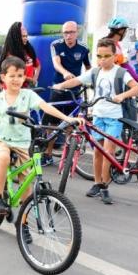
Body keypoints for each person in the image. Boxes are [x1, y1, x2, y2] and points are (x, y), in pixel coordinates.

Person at [0, 56, 83, 217]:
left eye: (20, 76)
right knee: (3, 158)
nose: (16, 80)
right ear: (3, 77)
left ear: (25, 77)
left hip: (22, 143)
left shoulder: (27, 95)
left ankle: (23, 223)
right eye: (12, 76)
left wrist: (67, 119)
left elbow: (45, 107)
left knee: (26, 186)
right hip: (1, 140)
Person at [53, 38, 138, 205]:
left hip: (114, 118)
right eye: (99, 56)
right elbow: (77, 80)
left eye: (107, 56)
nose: (102, 60)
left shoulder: (121, 73)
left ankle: (105, 186)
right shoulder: (95, 72)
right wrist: (60, 86)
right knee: (97, 152)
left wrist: (121, 96)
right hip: (98, 116)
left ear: (115, 56)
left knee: (108, 152)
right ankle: (96, 182)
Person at [42, 21, 91, 166]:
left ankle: (67, 156)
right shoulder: (56, 45)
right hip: (58, 88)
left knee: (71, 124)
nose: (68, 35)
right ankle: (48, 154)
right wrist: (65, 73)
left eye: (71, 32)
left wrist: (87, 79)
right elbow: (56, 63)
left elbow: (88, 67)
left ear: (77, 32)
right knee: (52, 123)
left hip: (75, 90)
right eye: (65, 33)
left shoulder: (83, 48)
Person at [0, 22, 40, 88]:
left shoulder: (28, 51)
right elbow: (13, 74)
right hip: (12, 89)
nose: (26, 38)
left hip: (26, 89)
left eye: (26, 36)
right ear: (15, 37)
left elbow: (38, 65)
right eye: (23, 36)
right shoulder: (9, 54)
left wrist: (35, 78)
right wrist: (29, 79)